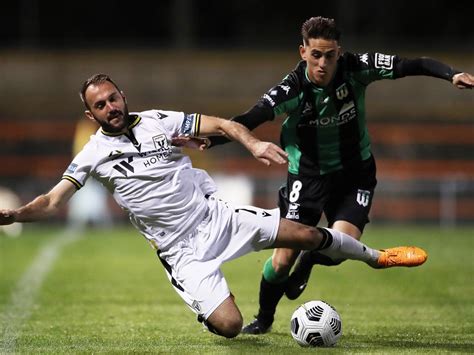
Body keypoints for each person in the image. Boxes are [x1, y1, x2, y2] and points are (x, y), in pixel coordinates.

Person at [0, 73, 428, 339]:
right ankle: (211, 301)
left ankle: (377, 257)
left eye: (113, 98)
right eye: (100, 105)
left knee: (304, 234)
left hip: (216, 216)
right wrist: (18, 215)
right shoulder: (92, 153)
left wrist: (255, 142)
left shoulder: (159, 121)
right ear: (90, 114)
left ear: (122, 95)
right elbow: (53, 200)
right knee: (230, 326)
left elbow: (223, 123)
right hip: (181, 251)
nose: (110, 107)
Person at [203, 16, 474, 334]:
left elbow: (412, 64)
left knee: (343, 245)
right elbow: (250, 118)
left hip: (354, 173)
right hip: (306, 178)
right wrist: (209, 139)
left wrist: (451, 74)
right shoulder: (291, 89)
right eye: (315, 55)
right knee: (281, 261)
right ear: (302, 51)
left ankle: (312, 260)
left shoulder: (357, 67)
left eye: (329, 55)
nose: (322, 63)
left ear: (338, 52)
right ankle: (264, 318)